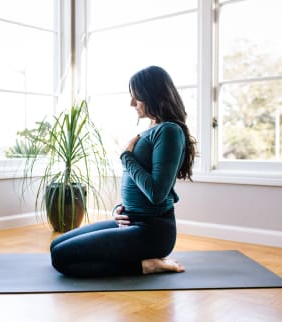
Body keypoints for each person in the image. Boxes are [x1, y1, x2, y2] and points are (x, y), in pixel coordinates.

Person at [50, 65, 197, 277]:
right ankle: (135, 256)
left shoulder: (169, 131)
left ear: (153, 95)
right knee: (56, 245)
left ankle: (148, 265)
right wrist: (121, 208)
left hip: (151, 231)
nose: (132, 103)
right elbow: (139, 185)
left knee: (62, 259)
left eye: (137, 97)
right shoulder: (153, 127)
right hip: (129, 220)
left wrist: (126, 157)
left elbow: (157, 193)